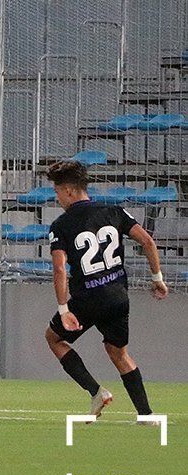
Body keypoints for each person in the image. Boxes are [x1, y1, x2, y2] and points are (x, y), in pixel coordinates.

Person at [43, 160, 167, 422]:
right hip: (117, 296)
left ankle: (95, 392)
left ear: (68, 191)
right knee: (119, 353)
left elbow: (59, 269)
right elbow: (147, 241)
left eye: (56, 192)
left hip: (87, 298)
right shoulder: (114, 211)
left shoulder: (62, 225)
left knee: (53, 338)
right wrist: (157, 278)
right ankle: (146, 414)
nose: (56, 198)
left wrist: (64, 308)